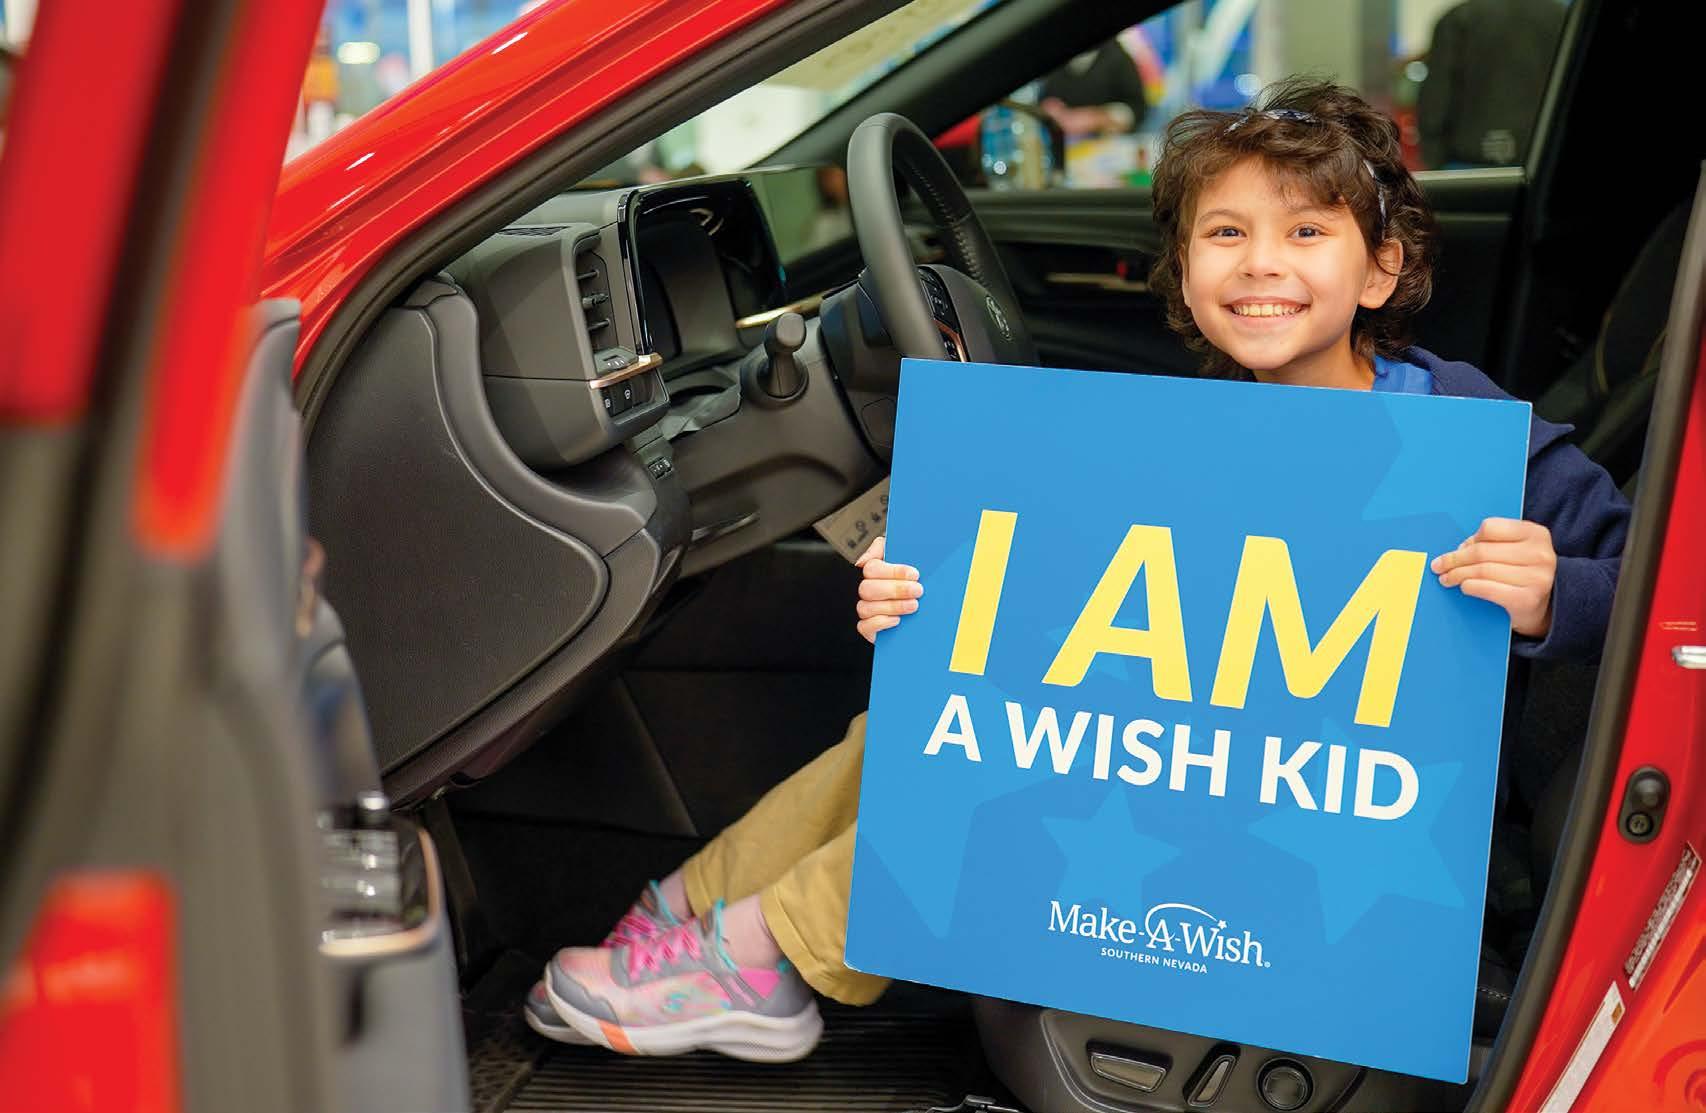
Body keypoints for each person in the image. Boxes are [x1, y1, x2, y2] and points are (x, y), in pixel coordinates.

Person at [529, 77, 1628, 1062]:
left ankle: (768, 954)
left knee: (1026, 768)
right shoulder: (1195, 437)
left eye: (1306, 231)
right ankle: (688, 915)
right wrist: (927, 603)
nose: (1260, 262)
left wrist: (1553, 596)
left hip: (1334, 819)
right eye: (1225, 233)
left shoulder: (1468, 436)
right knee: (919, 719)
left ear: (1381, 269)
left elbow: (1655, 588)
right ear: (1185, 271)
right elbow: (1091, 604)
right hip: (1208, 751)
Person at [1416, 0, 1566, 168]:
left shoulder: (1459, 18)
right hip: (1544, 161)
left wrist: (1433, 158)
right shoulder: (1561, 17)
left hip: (1468, 162)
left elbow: (1436, 97)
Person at [1037, 40, 1148, 140]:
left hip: (1111, 144)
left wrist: (1097, 118)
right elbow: (1045, 99)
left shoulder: (1117, 56)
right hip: (1067, 144)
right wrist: (1050, 110)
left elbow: (1137, 107)